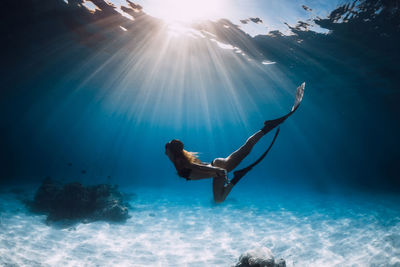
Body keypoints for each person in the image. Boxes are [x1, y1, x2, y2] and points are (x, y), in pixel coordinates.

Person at [165, 83, 305, 203]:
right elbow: (196, 167)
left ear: (171, 151)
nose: (165, 153)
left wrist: (218, 170)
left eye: (166, 150)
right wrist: (217, 170)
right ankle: (265, 131)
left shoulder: (179, 161)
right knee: (219, 199)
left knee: (245, 150)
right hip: (217, 167)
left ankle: (267, 128)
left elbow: (194, 166)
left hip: (219, 168)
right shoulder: (179, 160)